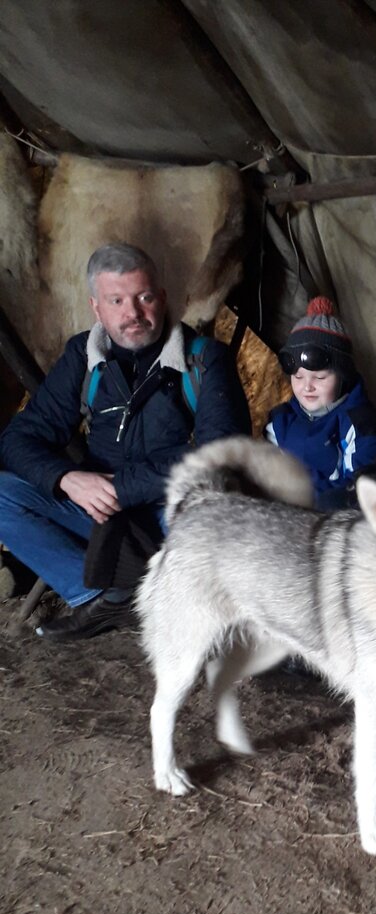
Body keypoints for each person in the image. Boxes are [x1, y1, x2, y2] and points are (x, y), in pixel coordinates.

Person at [0, 242, 251, 640]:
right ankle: (103, 598)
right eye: (116, 300)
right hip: (99, 510)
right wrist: (66, 479)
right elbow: (18, 439)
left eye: (144, 297)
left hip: (170, 513)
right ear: (96, 308)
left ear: (163, 298)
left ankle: (178, 601)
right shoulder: (83, 357)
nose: (132, 313)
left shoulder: (204, 359)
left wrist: (120, 488)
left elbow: (220, 453)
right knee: (3, 494)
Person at [267, 297, 376, 509]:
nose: (307, 387)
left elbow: (361, 491)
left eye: (320, 378)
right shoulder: (280, 422)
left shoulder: (362, 426)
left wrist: (299, 497)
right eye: (298, 377)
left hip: (331, 526)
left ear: (343, 377)